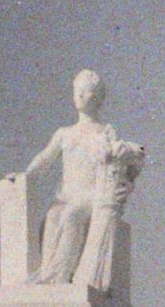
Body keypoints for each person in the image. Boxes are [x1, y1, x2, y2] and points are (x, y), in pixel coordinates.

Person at [23, 70, 141, 287]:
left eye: (85, 91)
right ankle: (48, 273)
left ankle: (59, 276)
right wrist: (25, 175)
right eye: (76, 90)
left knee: (70, 215)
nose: (79, 95)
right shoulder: (64, 133)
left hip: (91, 195)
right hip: (68, 195)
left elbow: (120, 161)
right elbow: (44, 158)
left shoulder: (104, 133)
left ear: (96, 97)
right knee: (52, 217)